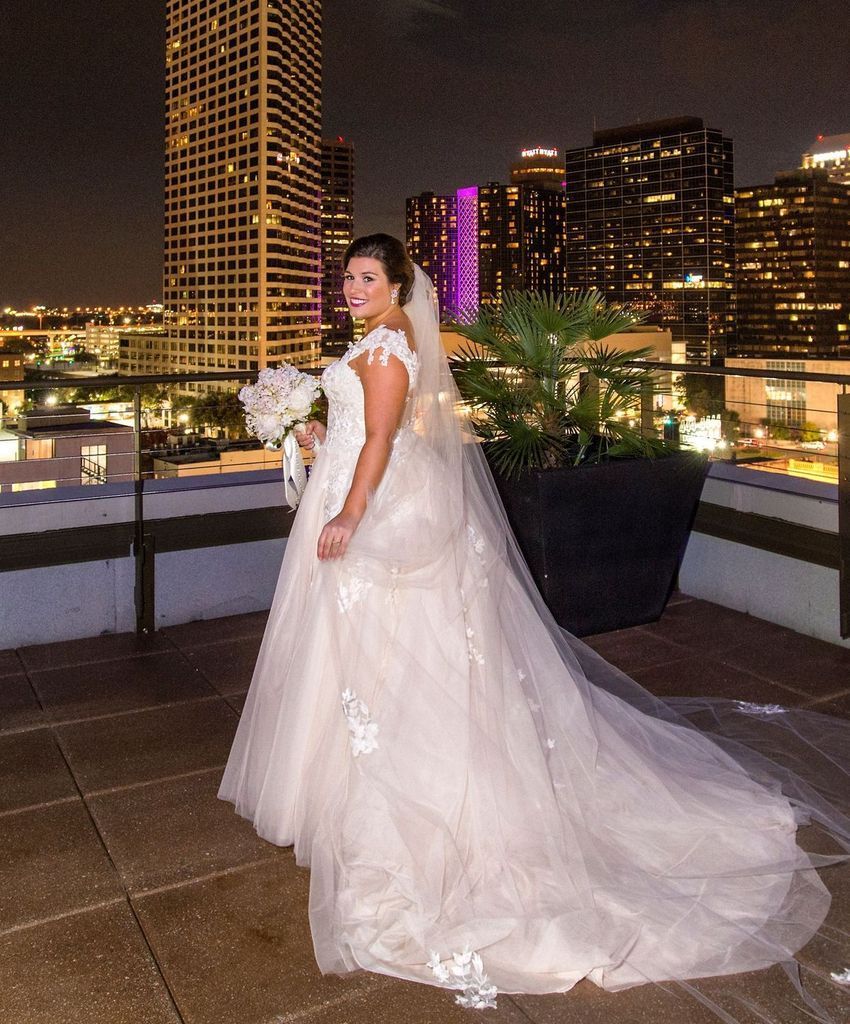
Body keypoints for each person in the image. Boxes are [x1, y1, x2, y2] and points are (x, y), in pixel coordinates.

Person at [220, 234, 850, 1020]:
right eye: (347, 276)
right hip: (368, 484)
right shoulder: (391, 338)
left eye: (367, 277)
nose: (352, 287)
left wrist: (351, 510)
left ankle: (414, 799)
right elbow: (366, 433)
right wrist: (313, 435)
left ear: (397, 284)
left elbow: (381, 438)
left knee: (386, 655)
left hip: (372, 503)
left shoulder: (384, 347)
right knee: (379, 658)